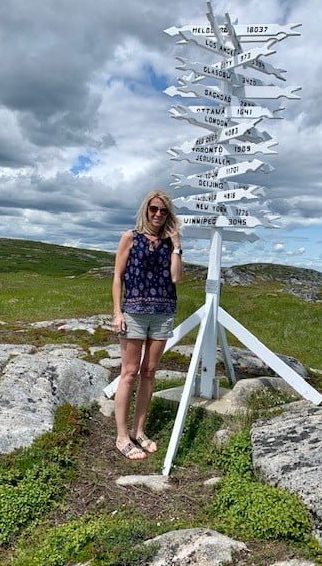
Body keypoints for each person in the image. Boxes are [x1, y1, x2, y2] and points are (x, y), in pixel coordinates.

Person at [112, 190, 182, 460]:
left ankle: (139, 431)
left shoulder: (169, 243)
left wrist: (176, 244)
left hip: (163, 312)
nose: (158, 215)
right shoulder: (130, 237)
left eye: (164, 211)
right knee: (129, 372)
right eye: (154, 209)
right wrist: (117, 312)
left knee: (150, 372)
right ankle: (121, 436)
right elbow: (117, 276)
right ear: (146, 209)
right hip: (135, 313)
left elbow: (176, 278)